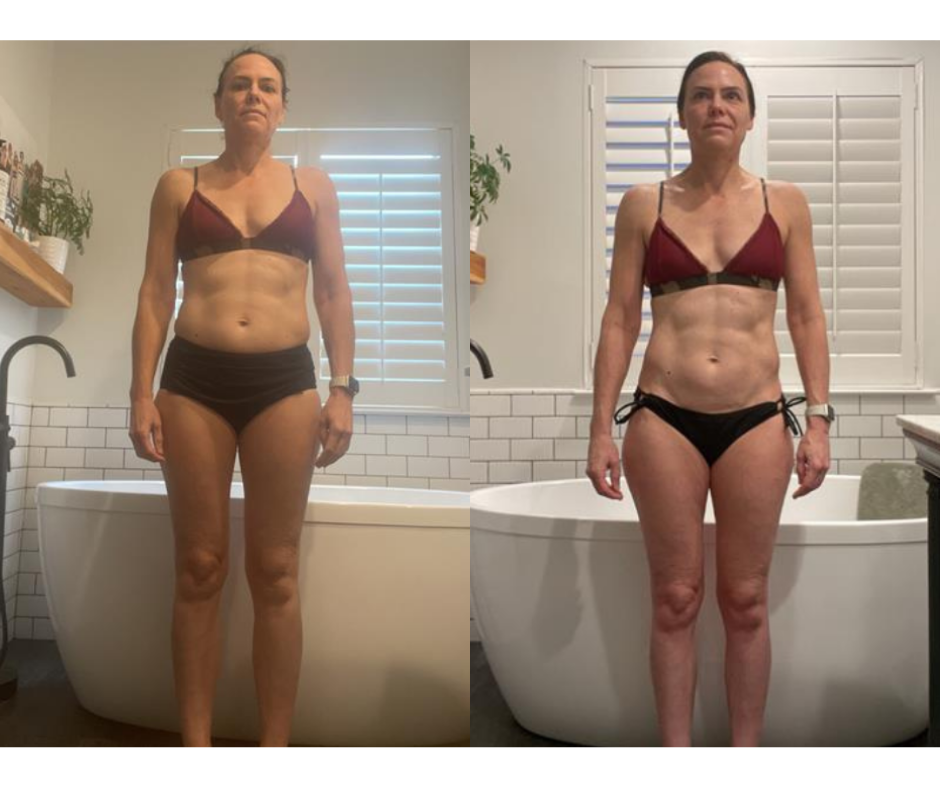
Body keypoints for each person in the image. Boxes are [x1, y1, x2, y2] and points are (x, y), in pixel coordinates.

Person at [587, 51, 832, 765]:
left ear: (750, 116)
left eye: (731, 95)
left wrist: (818, 419)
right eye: (701, 95)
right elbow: (618, 320)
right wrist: (601, 426)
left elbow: (808, 317)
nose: (716, 105)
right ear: (683, 113)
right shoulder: (645, 204)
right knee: (675, 599)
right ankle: (676, 759)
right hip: (664, 416)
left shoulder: (785, 204)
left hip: (756, 417)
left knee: (746, 602)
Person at [128, 47, 357, 748]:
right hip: (193, 381)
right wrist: (140, 392)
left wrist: (344, 388)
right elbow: (153, 293)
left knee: (276, 569)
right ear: (219, 102)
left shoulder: (313, 186)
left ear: (283, 105)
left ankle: (273, 749)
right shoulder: (178, 185)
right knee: (199, 566)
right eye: (239, 84)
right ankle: (195, 750)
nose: (253, 95)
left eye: (267, 86)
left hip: (284, 382)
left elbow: (332, 291)